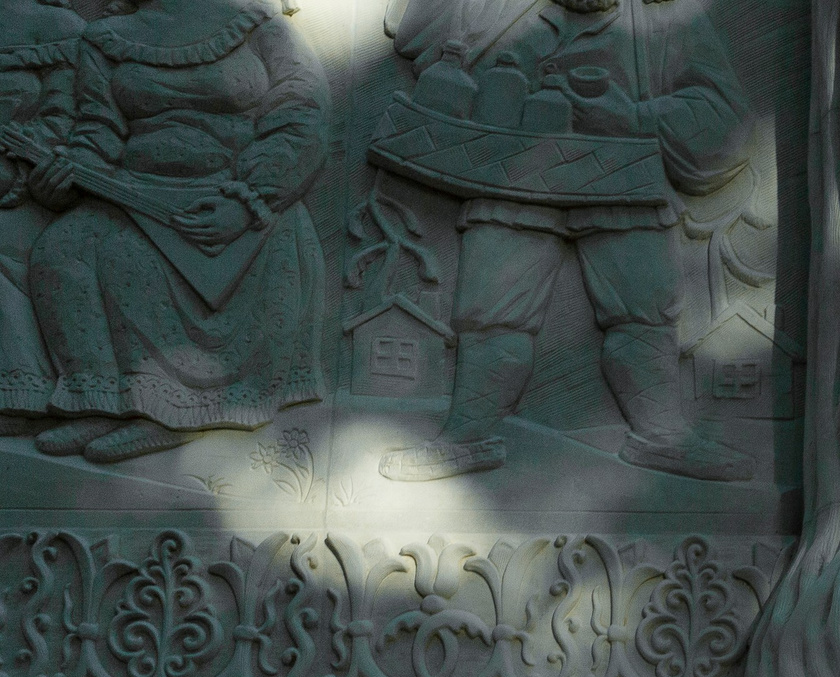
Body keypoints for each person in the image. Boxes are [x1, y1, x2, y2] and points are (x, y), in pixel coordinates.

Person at [375, 0, 752, 482]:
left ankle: (661, 434)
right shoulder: (494, 8)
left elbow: (725, 113)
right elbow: (408, 34)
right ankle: (468, 434)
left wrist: (636, 116)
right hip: (512, 176)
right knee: (491, 314)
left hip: (624, 179)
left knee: (644, 312)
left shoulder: (666, 17)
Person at [24, 0, 327, 463]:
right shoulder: (105, 39)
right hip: (137, 197)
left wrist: (248, 201)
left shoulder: (263, 28)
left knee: (137, 260)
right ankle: (103, 404)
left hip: (236, 206)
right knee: (63, 249)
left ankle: (174, 415)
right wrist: (67, 178)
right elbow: (98, 131)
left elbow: (302, 117)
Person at [0, 0, 81, 433]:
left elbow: (70, 121)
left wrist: (14, 171)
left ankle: (19, 394)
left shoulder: (58, 28)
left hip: (26, 194)